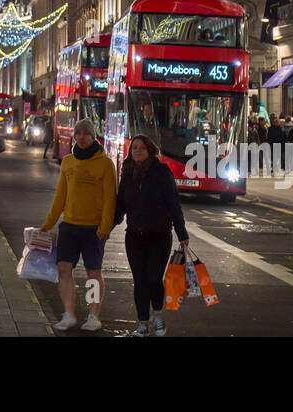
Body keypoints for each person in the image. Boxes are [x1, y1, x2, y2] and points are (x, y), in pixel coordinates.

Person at [41, 119, 116, 332]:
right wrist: (48, 224)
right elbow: (60, 197)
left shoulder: (105, 164)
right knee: (63, 269)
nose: (82, 137)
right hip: (69, 227)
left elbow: (110, 199)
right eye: (79, 133)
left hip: (93, 229)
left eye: (86, 134)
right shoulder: (68, 162)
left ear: (93, 137)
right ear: (74, 136)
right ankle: (69, 314)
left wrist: (105, 227)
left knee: (93, 273)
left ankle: (94, 316)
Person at [115, 134, 189, 337]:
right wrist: (106, 228)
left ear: (150, 151)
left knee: (153, 278)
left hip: (159, 235)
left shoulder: (161, 172)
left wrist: (182, 232)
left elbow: (173, 204)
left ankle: (157, 314)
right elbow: (120, 205)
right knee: (139, 280)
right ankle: (142, 323)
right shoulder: (127, 174)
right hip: (134, 236)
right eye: (134, 148)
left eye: (142, 148)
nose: (137, 150)